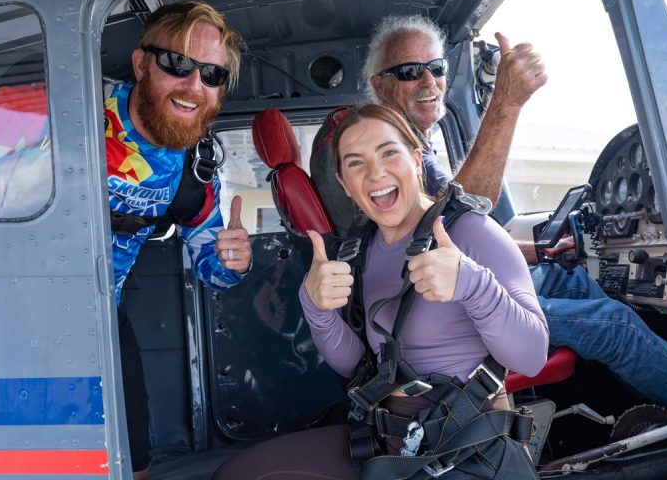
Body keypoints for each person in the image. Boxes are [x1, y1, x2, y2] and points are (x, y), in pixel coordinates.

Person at [0, 0, 253, 480]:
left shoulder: (196, 169)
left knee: (130, 466)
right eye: (178, 64)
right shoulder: (62, 111)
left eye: (212, 75)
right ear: (141, 63)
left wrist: (231, 261)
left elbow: (211, 264)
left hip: (101, 326)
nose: (195, 86)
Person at [311, 14, 667, 418]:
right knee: (614, 325)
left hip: (446, 284)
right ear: (381, 85)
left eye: (437, 68)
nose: (428, 82)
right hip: (430, 301)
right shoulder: (392, 153)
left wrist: (538, 252)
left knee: (571, 278)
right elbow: (465, 215)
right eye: (411, 72)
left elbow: (458, 231)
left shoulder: (416, 147)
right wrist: (507, 101)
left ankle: (632, 407)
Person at [214, 103, 547, 480]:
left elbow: (532, 356)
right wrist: (315, 307)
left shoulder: (470, 231)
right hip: (385, 438)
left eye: (389, 152)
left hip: (467, 447)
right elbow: (355, 364)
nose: (375, 172)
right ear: (343, 183)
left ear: (417, 159)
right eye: (355, 163)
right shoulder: (360, 249)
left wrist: (474, 285)